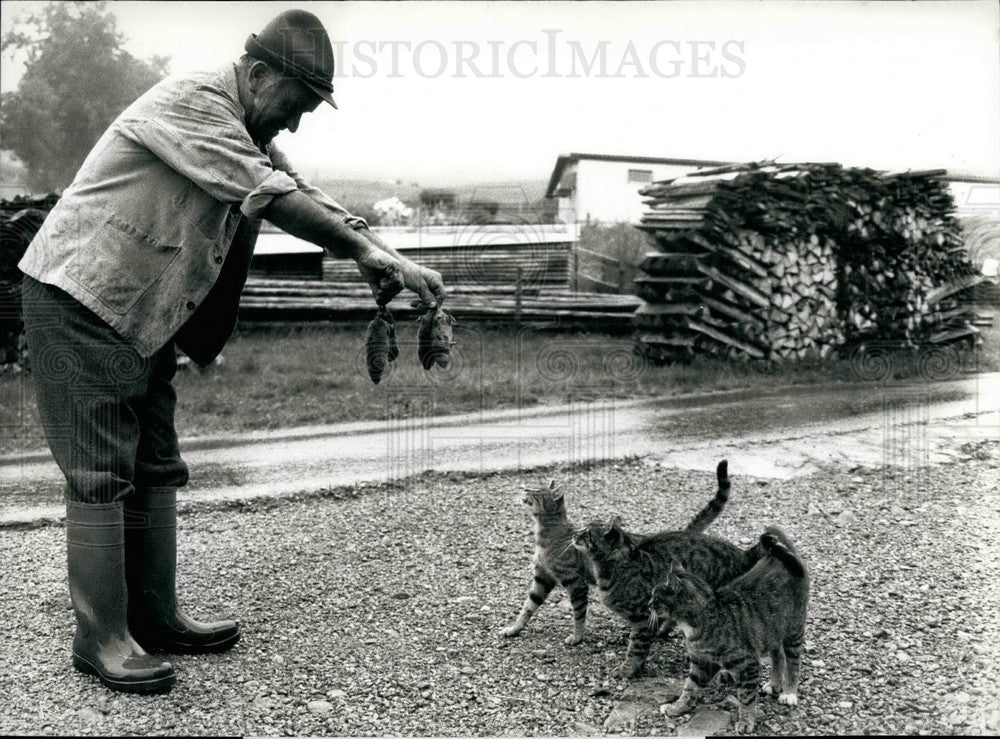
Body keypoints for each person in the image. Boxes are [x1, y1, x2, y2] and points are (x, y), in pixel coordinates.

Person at [18, 9, 445, 694]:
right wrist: (363, 248)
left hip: (138, 310)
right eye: (294, 105)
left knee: (155, 462)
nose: (295, 124)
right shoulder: (197, 104)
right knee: (100, 470)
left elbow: (299, 188)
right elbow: (271, 196)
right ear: (257, 73)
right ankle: (99, 637)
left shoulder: (247, 126)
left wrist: (384, 253)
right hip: (80, 294)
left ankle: (154, 615)